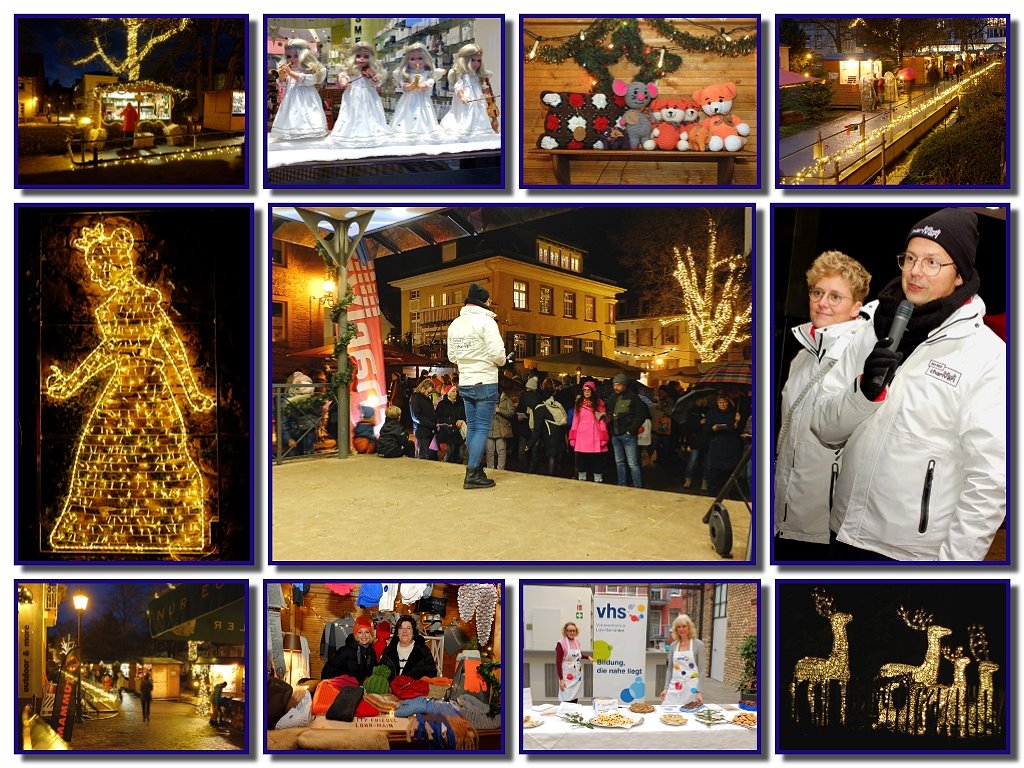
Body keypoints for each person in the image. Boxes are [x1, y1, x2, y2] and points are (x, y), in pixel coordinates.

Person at [812, 208, 1005, 561]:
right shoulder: (869, 327)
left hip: (912, 555)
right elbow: (824, 429)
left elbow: (990, 480)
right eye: (910, 258)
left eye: (933, 262)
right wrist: (863, 392)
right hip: (842, 532)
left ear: (959, 275)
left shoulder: (987, 355)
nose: (915, 271)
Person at [44, 225, 215, 553]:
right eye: (93, 270)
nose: (97, 275)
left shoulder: (143, 299)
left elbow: (169, 342)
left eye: (99, 268)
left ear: (113, 263)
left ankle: (166, 529)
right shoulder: (108, 307)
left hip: (148, 390)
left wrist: (192, 391)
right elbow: (109, 352)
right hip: (123, 388)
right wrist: (69, 383)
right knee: (102, 454)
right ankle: (106, 528)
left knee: (159, 458)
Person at [774, 251, 874, 562]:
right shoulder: (804, 353)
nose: (822, 303)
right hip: (786, 509)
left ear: (856, 307)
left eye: (835, 296)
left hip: (826, 516)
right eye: (817, 292)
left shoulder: (862, 351)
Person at [446, 282, 509, 489]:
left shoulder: (455, 324)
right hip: (485, 381)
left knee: (472, 426)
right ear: (483, 302)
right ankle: (472, 471)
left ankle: (473, 467)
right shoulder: (487, 323)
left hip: (465, 381)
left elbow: (452, 356)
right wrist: (499, 361)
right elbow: (499, 356)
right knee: (482, 427)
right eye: (489, 300)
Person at [331, 42, 393, 147]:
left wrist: (374, 79)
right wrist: (343, 81)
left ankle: (369, 134)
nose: (362, 59)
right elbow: (342, 79)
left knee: (370, 114)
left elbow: (376, 84)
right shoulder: (349, 70)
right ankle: (351, 134)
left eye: (366, 57)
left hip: (368, 96)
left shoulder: (372, 71)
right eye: (358, 56)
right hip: (352, 96)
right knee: (351, 114)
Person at [270, 38, 328, 140]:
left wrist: (290, 73)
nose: (292, 59)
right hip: (291, 97)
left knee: (308, 114)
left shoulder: (309, 69)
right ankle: (293, 133)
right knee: (292, 114)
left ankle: (308, 134)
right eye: (289, 56)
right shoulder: (289, 69)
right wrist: (282, 75)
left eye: (296, 56)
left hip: (307, 98)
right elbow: (283, 83)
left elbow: (308, 80)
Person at [440, 43, 497, 139]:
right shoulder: (463, 74)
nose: (476, 63)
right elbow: (458, 87)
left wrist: (488, 94)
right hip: (466, 99)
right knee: (466, 113)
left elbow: (481, 87)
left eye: (478, 61)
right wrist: (462, 96)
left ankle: (478, 130)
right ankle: (465, 131)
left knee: (479, 112)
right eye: (473, 60)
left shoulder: (476, 74)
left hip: (477, 99)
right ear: (465, 60)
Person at [389, 42, 444, 141]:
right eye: (412, 59)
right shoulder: (405, 74)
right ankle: (406, 131)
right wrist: (409, 85)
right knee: (405, 116)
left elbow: (429, 83)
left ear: (425, 59)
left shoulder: (427, 73)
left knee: (424, 116)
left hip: (423, 101)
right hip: (407, 102)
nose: (416, 62)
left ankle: (424, 133)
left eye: (420, 58)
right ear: (407, 61)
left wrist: (424, 85)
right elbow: (404, 86)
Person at [605, 373, 648, 488]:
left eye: (618, 385)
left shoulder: (633, 398)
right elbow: (609, 412)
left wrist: (631, 429)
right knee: (619, 462)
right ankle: (621, 484)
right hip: (615, 434)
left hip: (628, 435)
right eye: (614, 384)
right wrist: (608, 420)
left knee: (632, 463)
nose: (616, 387)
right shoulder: (612, 398)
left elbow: (641, 414)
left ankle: (637, 486)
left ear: (624, 385)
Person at [660, 614, 705, 707]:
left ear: (689, 627)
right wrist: (666, 688)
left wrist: (699, 692)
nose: (681, 629)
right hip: (675, 686)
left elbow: (702, 670)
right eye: (678, 627)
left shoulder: (698, 644)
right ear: (676, 630)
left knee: (690, 715)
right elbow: (669, 669)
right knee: (667, 711)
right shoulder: (673, 646)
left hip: (692, 688)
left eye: (684, 626)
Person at [568, 378, 608, 482]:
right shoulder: (579, 403)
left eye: (588, 390)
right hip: (581, 435)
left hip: (595, 434)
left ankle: (597, 477)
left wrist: (603, 436)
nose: (586, 392)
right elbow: (575, 421)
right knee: (581, 457)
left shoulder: (599, 404)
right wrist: (573, 437)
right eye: (584, 390)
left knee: (596, 458)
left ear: (592, 391)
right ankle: (582, 476)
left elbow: (602, 421)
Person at [704, 394, 743, 496]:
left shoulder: (734, 413)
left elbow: (739, 431)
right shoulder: (712, 413)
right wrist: (712, 428)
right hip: (716, 444)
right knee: (714, 471)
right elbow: (706, 428)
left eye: (724, 402)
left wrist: (737, 423)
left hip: (731, 446)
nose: (722, 405)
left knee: (730, 471)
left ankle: (730, 493)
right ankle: (713, 492)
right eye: (720, 402)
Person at [321, 616, 379, 683]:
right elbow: (327, 672)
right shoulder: (344, 651)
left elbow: (373, 673)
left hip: (363, 690)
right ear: (355, 635)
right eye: (360, 632)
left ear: (370, 635)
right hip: (344, 689)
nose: (364, 635)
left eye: (367, 632)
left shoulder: (371, 653)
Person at [529, 383, 569, 476]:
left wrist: (530, 444)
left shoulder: (541, 409)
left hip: (551, 436)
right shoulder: (556, 405)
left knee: (552, 457)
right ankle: (559, 478)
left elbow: (537, 430)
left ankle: (552, 479)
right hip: (560, 433)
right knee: (559, 457)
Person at [381, 615, 437, 680]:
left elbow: (432, 675)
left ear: (413, 632)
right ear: (397, 632)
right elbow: (380, 674)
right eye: (401, 628)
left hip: (415, 689)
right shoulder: (388, 651)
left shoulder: (423, 651)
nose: (404, 631)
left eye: (408, 628)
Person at [556, 622, 592, 704]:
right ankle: (566, 715)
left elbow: (577, 655)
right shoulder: (561, 643)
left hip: (576, 675)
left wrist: (588, 657)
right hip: (566, 675)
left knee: (575, 696)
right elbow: (558, 662)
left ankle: (573, 714)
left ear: (576, 631)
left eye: (573, 630)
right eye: (569, 630)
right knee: (566, 695)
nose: (572, 632)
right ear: (565, 631)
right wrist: (561, 679)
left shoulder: (577, 642)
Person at [485, 379, 516, 470]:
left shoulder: (507, 400)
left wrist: (500, 410)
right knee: (489, 452)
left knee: (501, 451)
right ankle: (489, 469)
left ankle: (500, 470)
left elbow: (512, 413)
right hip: (489, 429)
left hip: (501, 430)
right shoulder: (487, 400)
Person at [435, 384, 467, 463]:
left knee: (460, 453)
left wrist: (461, 420)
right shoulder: (442, 404)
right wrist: (448, 422)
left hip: (458, 432)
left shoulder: (461, 403)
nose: (455, 393)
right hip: (447, 431)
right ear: (448, 393)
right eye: (453, 391)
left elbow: (465, 415)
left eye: (456, 391)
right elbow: (438, 417)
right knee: (450, 452)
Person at [409, 378, 438, 460]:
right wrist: (431, 424)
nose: (429, 394)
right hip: (422, 430)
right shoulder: (416, 398)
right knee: (423, 455)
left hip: (428, 430)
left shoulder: (426, 398)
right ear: (422, 389)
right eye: (428, 392)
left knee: (424, 453)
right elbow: (416, 416)